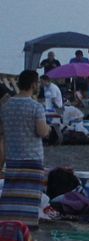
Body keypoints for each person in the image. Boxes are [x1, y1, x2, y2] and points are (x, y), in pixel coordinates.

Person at [1, 71, 52, 225]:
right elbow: (42, 131)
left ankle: (9, 223)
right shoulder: (36, 107)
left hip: (13, 157)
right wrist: (49, 129)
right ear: (33, 85)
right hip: (32, 158)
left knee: (12, 195)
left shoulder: (6, 106)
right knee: (29, 197)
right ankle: (27, 225)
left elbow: (2, 132)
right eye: (37, 83)